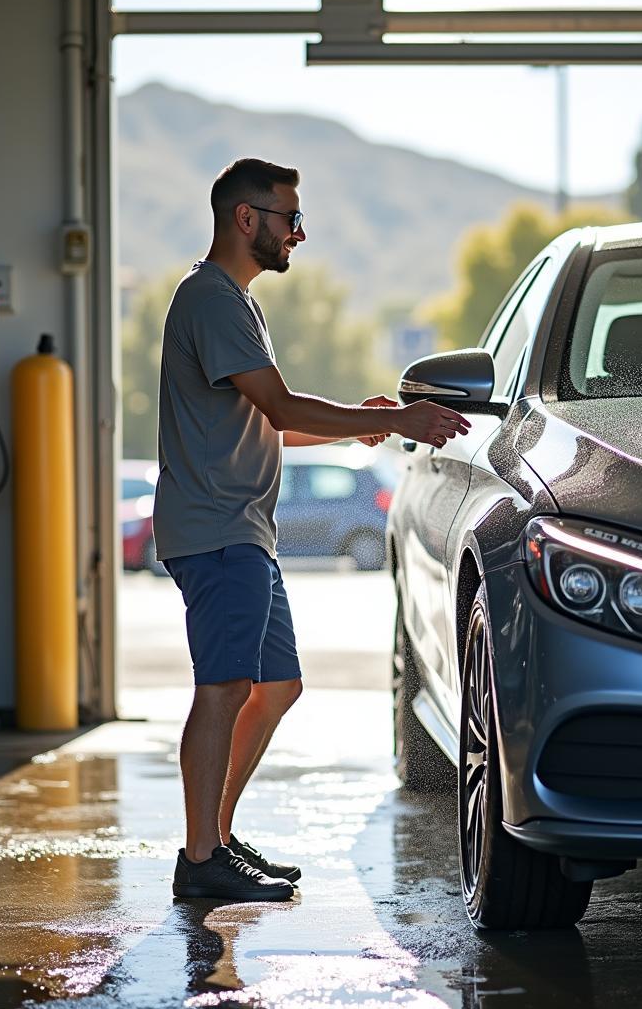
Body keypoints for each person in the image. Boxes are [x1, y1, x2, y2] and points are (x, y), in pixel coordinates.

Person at [154, 158, 471, 901]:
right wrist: (389, 419)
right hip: (217, 530)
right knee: (224, 688)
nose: (298, 233)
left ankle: (217, 841)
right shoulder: (210, 298)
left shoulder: (236, 301)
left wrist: (355, 430)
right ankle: (200, 858)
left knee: (278, 685)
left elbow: (268, 419)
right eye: (288, 218)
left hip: (245, 531)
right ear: (246, 219)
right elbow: (284, 406)